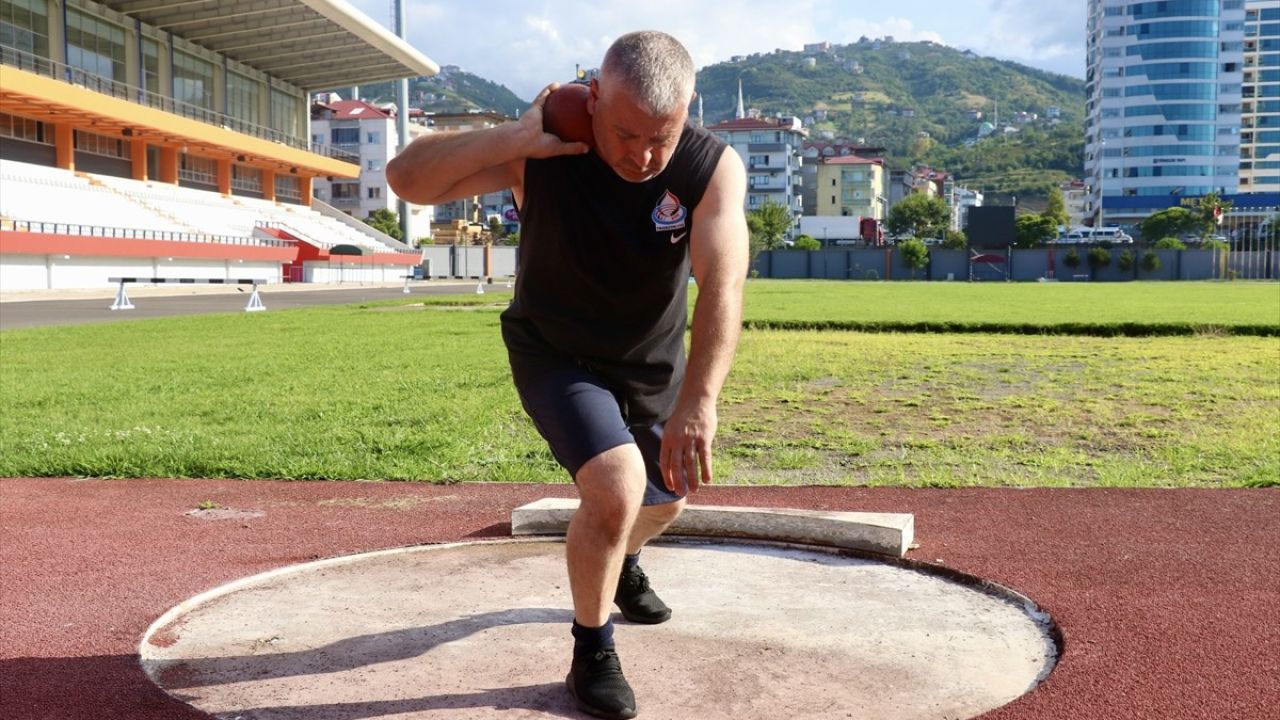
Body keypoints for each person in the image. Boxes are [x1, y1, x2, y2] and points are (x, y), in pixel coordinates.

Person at [387, 30, 747, 720]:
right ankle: (593, 651)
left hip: (649, 362)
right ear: (593, 97)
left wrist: (699, 401)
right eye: (625, 133)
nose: (641, 156)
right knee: (617, 487)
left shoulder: (710, 166)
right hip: (555, 349)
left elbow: (723, 286)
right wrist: (512, 137)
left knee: (665, 502)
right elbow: (407, 180)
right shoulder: (547, 146)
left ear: (689, 111)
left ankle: (620, 561)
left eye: (660, 138)